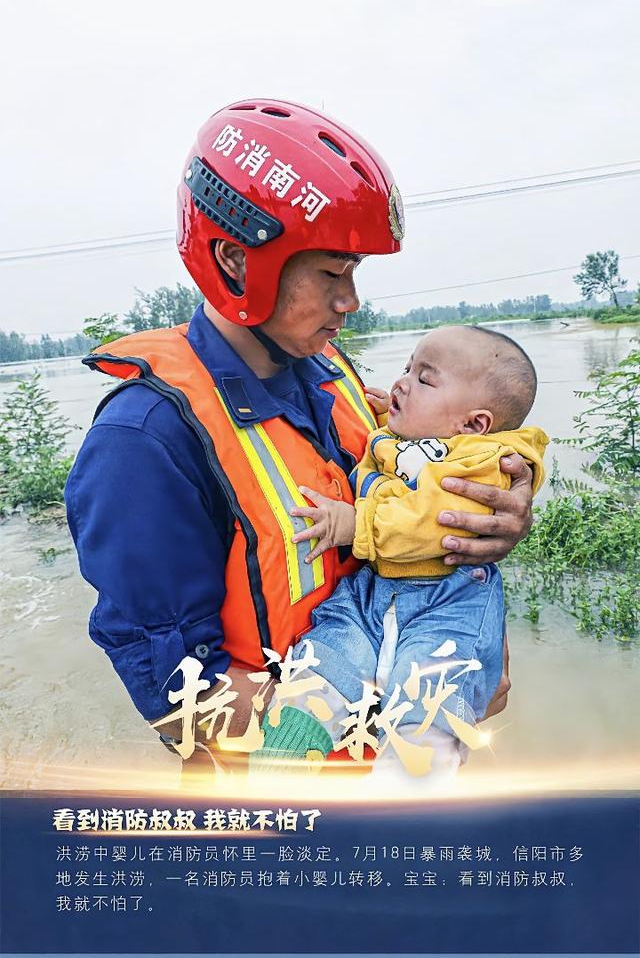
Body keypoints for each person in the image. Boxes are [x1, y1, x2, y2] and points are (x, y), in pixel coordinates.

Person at [65, 99, 533, 770]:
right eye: (331, 274)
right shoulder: (144, 443)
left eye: (355, 273)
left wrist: (484, 519)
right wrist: (411, 712)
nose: (352, 301)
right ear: (234, 261)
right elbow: (178, 704)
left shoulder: (329, 371)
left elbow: (400, 499)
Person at [255, 325, 548, 776]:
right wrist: (380, 415)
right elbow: (401, 459)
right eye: (407, 368)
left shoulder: (486, 463)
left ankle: (407, 807)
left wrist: (355, 523)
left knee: (429, 696)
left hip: (447, 599)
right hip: (371, 589)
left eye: (424, 379)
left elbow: (438, 519)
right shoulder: (404, 435)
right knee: (327, 658)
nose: (401, 382)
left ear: (474, 424)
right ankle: (279, 761)